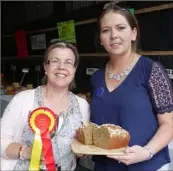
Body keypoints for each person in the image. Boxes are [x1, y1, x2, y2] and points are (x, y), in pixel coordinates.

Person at [90, 2, 173, 171]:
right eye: (106, 30)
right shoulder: (97, 77)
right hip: (106, 166)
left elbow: (169, 124)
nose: (114, 35)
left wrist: (146, 152)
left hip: (147, 165)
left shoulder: (151, 70)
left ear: (133, 33)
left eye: (121, 28)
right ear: (101, 39)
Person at [1, 39, 90, 171]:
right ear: (45, 67)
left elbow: (82, 146)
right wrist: (25, 151)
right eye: (55, 61)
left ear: (74, 69)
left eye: (68, 62)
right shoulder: (23, 99)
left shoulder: (82, 106)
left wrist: (83, 151)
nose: (61, 66)